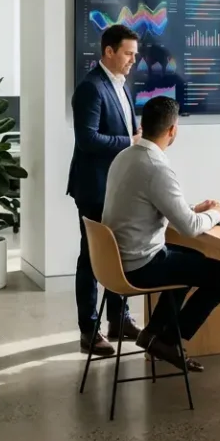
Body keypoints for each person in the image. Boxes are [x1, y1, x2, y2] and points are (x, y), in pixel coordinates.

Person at [102, 96, 220, 373]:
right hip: (139, 265)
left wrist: (192, 208)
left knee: (192, 260)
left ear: (143, 124)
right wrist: (217, 214)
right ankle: (169, 340)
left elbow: (149, 204)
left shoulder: (125, 156)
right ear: (173, 130)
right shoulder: (156, 166)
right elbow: (189, 228)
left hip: (115, 262)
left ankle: (153, 333)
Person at [68, 24, 142, 356]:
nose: (132, 61)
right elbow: (87, 140)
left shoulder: (122, 86)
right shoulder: (90, 88)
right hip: (95, 188)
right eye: (128, 54)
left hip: (118, 186)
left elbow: (124, 129)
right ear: (109, 52)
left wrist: (134, 134)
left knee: (119, 255)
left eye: (135, 55)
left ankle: (119, 319)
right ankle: (89, 330)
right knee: (92, 259)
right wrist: (131, 140)